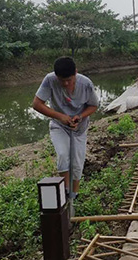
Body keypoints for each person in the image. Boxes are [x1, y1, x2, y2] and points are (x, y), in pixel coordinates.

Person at [33, 57, 99, 198]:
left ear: (75, 72)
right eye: (62, 80)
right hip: (59, 126)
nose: (66, 83)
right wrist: (60, 116)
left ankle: (74, 194)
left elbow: (94, 105)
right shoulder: (49, 80)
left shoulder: (86, 83)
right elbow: (37, 104)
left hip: (79, 128)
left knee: (77, 161)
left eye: (69, 80)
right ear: (56, 76)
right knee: (63, 155)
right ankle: (65, 191)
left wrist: (80, 116)